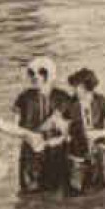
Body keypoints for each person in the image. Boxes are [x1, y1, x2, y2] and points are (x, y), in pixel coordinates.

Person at [51, 68, 105, 195]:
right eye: (74, 86)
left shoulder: (101, 101)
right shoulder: (70, 103)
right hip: (76, 155)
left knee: (104, 192)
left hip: (100, 152)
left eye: (77, 86)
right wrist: (64, 131)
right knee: (75, 193)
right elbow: (56, 120)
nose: (74, 90)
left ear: (86, 87)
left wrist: (99, 133)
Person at [12, 58, 70, 193]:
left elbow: (70, 126)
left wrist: (59, 139)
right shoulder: (24, 97)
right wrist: (28, 138)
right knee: (29, 193)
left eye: (42, 72)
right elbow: (15, 125)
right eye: (32, 73)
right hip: (31, 150)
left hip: (56, 149)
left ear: (51, 75)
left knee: (57, 191)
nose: (36, 77)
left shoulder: (63, 97)